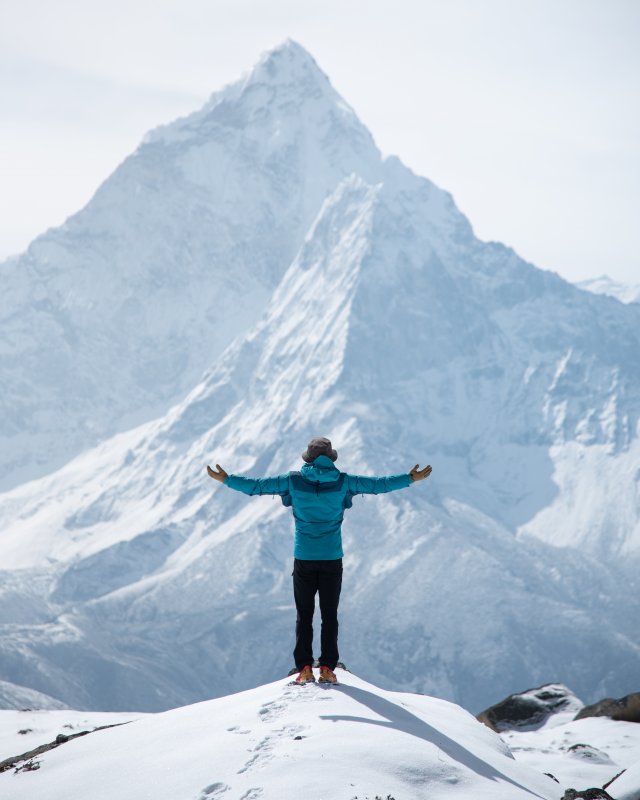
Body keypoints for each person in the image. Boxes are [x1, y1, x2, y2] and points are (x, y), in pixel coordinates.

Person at [207, 437, 432, 685]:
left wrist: (226, 479)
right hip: (332, 558)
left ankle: (304, 667)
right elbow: (379, 485)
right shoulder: (344, 481)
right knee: (329, 615)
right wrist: (410, 478)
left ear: (309, 458)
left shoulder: (292, 481)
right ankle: (327, 667)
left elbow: (256, 486)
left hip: (303, 557)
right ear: (331, 458)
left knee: (304, 615)